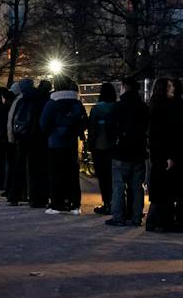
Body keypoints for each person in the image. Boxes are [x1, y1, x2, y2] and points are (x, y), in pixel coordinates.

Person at [146, 77, 183, 231]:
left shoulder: (156, 105)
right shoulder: (163, 108)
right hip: (163, 154)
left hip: (158, 154)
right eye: (169, 86)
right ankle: (161, 222)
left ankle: (155, 221)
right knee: (164, 189)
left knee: (160, 188)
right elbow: (164, 135)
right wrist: (168, 156)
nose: (173, 88)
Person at [39, 78, 87, 213]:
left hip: (55, 143)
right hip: (71, 143)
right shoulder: (77, 102)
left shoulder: (52, 102)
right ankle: (75, 204)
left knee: (56, 174)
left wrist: (52, 132)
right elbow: (84, 121)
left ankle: (57, 204)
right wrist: (76, 131)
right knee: (72, 173)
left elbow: (43, 123)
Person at [107, 77, 148, 227]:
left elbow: (110, 128)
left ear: (124, 87)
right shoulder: (143, 107)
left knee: (119, 186)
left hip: (121, 151)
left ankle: (118, 217)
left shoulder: (118, 107)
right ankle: (136, 216)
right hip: (139, 151)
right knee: (137, 187)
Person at [87, 82, 119, 214]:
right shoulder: (117, 108)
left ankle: (107, 203)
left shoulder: (96, 109)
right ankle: (118, 203)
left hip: (99, 146)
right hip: (115, 147)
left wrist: (90, 145)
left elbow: (91, 129)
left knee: (103, 177)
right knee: (116, 177)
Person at [3, 78, 37, 204]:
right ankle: (31, 195)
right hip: (36, 138)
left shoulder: (19, 100)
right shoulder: (37, 98)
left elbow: (11, 120)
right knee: (33, 168)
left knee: (19, 167)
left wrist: (11, 138)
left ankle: (15, 196)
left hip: (21, 137)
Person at [24, 80, 53, 211]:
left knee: (33, 169)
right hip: (45, 139)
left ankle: (34, 198)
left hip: (32, 138)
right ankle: (44, 196)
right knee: (45, 169)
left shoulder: (30, 99)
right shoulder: (49, 101)